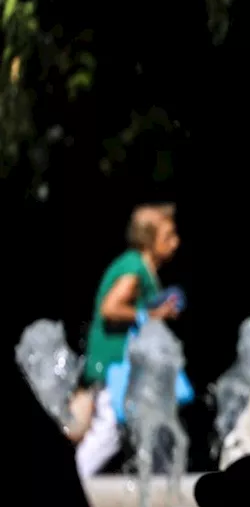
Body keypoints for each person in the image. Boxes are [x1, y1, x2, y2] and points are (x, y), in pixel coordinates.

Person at [71, 203, 182, 478]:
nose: (175, 242)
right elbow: (109, 308)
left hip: (120, 364)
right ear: (148, 240)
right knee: (107, 432)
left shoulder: (141, 268)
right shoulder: (134, 268)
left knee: (129, 428)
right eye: (168, 236)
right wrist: (151, 314)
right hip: (113, 363)